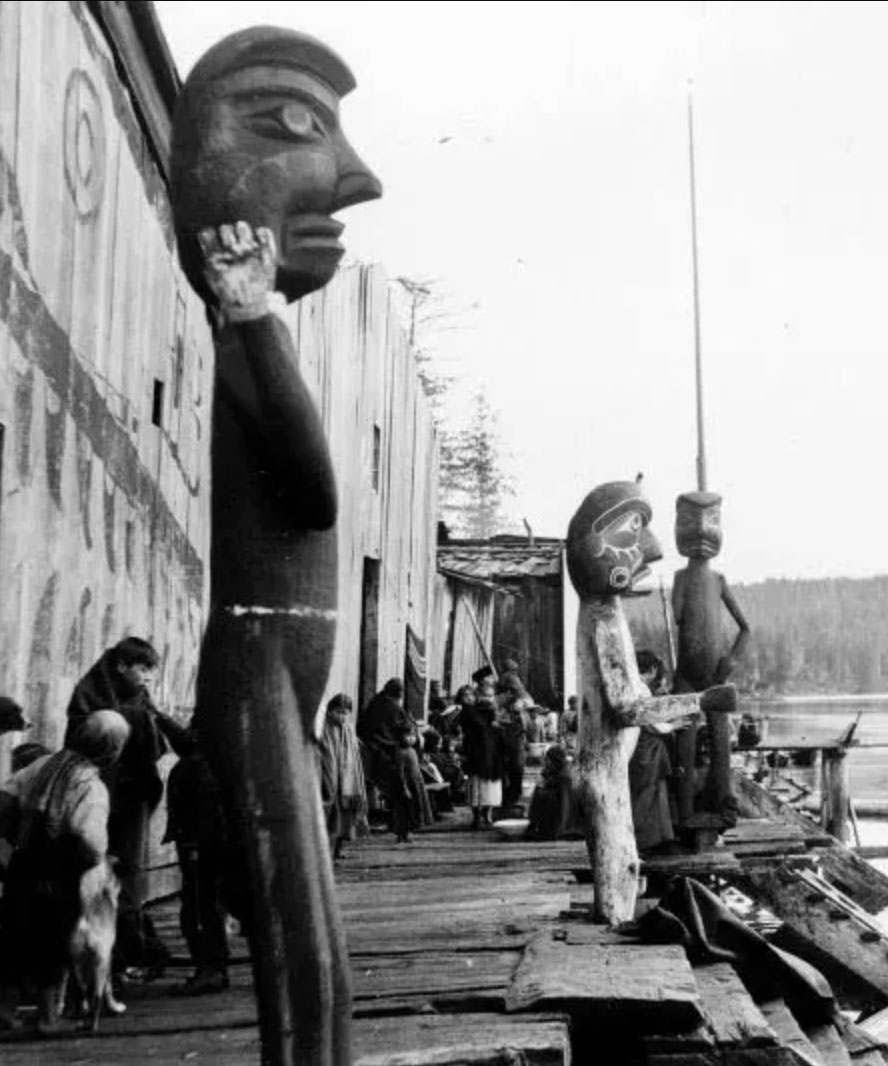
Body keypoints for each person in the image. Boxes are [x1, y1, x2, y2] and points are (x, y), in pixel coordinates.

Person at [0, 710, 131, 1030]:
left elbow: (4, 801)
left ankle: (3, 1010)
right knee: (53, 941)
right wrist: (90, 864)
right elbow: (90, 839)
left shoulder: (42, 764)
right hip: (61, 871)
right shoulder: (90, 785)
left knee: (13, 935)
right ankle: (47, 1017)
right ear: (111, 749)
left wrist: (15, 837)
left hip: (23, 861)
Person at [65, 637, 185, 976]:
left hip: (132, 795)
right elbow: (84, 739)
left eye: (152, 671)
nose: (149, 677)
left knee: (129, 873)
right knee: (95, 869)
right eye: (143, 669)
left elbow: (157, 733)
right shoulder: (90, 692)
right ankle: (119, 953)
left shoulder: (138, 697)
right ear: (122, 666)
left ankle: (129, 950)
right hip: (96, 794)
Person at [164, 727, 233, 997]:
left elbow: (203, 813)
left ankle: (210, 969)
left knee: (199, 908)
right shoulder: (208, 763)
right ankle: (213, 967)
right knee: (205, 906)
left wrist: (193, 846)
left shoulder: (196, 767)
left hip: (200, 849)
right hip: (206, 848)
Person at [629, 651, 678, 856]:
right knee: (648, 795)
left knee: (648, 794)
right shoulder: (641, 689)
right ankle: (645, 840)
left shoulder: (630, 685)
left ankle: (654, 838)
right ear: (652, 669)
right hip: (646, 749)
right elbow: (650, 722)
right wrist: (672, 726)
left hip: (638, 748)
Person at [318, 695, 368, 861]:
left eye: (346, 713)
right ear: (330, 711)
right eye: (339, 712)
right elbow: (324, 755)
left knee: (345, 820)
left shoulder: (348, 729)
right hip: (331, 779)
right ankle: (325, 853)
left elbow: (354, 755)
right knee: (330, 818)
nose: (342, 716)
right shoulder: (324, 728)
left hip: (347, 782)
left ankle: (338, 850)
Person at [357, 678, 412, 802]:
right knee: (401, 756)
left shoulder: (376, 700)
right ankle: (402, 788)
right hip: (382, 743)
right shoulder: (393, 706)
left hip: (369, 740)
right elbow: (404, 728)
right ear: (398, 693)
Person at [461, 696, 505, 829]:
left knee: (476, 792)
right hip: (491, 766)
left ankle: (477, 818)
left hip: (476, 765)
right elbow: (503, 747)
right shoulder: (496, 729)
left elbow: (466, 747)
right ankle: (487, 816)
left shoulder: (472, 729)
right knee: (488, 791)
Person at [526, 745, 581, 840]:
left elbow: (565, 807)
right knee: (539, 791)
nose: (545, 763)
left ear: (555, 762)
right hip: (550, 820)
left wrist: (560, 830)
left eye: (548, 760)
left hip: (559, 824)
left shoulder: (564, 779)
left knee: (542, 793)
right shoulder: (550, 775)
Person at [390, 724, 432, 843]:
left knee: (412, 810)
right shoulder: (400, 752)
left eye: (412, 736)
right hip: (405, 785)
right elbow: (400, 772)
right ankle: (401, 834)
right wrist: (405, 788)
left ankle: (407, 833)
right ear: (400, 737)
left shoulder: (413, 750)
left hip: (415, 784)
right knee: (402, 811)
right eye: (407, 736)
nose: (411, 738)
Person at [501, 696, 530, 810]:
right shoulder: (508, 724)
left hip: (517, 755)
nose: (517, 715)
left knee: (516, 778)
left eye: (518, 712)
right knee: (512, 779)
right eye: (514, 712)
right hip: (512, 756)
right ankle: (509, 802)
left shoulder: (519, 722)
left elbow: (523, 737)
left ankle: (512, 801)